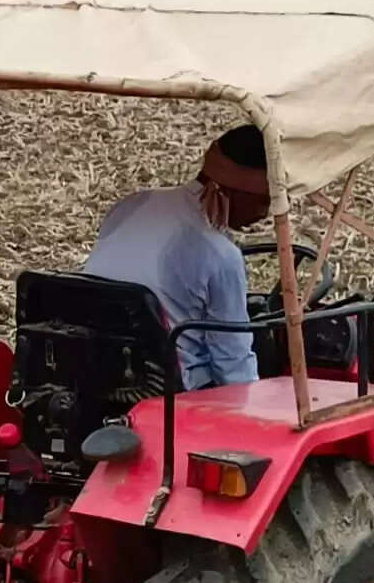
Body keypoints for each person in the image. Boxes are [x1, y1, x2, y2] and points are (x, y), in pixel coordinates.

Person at [83, 125, 269, 391]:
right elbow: (233, 366)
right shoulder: (220, 254)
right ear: (237, 189)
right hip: (171, 388)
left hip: (96, 367)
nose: (265, 214)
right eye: (264, 200)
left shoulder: (134, 204)